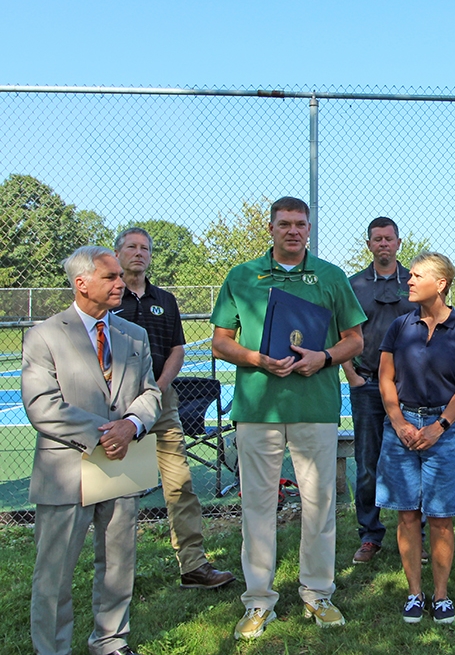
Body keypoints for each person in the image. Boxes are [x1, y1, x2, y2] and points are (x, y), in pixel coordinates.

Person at [211, 196, 366, 640]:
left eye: (300, 224)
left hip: (314, 408)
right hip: (257, 409)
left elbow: (354, 339)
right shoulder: (242, 276)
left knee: (319, 505)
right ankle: (259, 601)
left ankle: (318, 593)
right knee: (258, 505)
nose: (293, 231)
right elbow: (221, 341)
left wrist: (324, 357)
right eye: (285, 224)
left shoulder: (331, 276)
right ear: (272, 227)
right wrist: (257, 358)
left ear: (309, 228)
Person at [22, 246, 162, 655]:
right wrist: (106, 433)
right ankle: (52, 649)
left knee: (118, 566)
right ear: (82, 284)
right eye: (111, 277)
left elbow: (150, 392)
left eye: (120, 276)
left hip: (121, 469)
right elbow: (42, 406)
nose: (122, 282)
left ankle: (110, 642)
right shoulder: (44, 335)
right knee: (54, 574)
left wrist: (132, 424)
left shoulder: (132, 334)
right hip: (66, 472)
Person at [113, 227, 235, 589]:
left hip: (162, 404)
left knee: (180, 485)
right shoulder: (109, 295)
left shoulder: (164, 299)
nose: (139, 253)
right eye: (132, 247)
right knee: (118, 494)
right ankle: (117, 576)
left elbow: (177, 350)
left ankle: (193, 565)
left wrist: (156, 389)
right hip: (116, 407)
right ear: (118, 252)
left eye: (145, 248)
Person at [375, 252, 455, 625]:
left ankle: (440, 596)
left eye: (416, 275)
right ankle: (414, 594)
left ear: (441, 284)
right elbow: (385, 378)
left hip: (445, 432)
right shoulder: (399, 327)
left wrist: (440, 426)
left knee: (441, 517)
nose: (408, 280)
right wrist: (399, 420)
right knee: (406, 515)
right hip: (401, 428)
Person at [341, 217, 417, 564]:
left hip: (411, 387)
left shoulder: (415, 283)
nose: (383, 244)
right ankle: (370, 534)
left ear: (399, 243)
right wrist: (350, 374)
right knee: (367, 462)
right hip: (368, 383)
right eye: (377, 239)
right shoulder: (354, 285)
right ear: (369, 244)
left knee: (416, 459)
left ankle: (418, 534)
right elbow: (339, 333)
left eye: (389, 238)